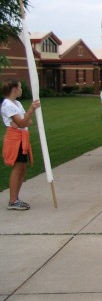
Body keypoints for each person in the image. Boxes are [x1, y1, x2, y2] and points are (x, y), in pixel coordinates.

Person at [1, 79, 41, 210]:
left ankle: (15, 198)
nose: (21, 89)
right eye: (20, 87)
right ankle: (12, 201)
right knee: (17, 168)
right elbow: (23, 122)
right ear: (14, 89)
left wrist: (25, 118)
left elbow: (27, 122)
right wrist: (30, 111)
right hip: (15, 138)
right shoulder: (7, 105)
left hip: (22, 136)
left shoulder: (17, 103)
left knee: (23, 168)